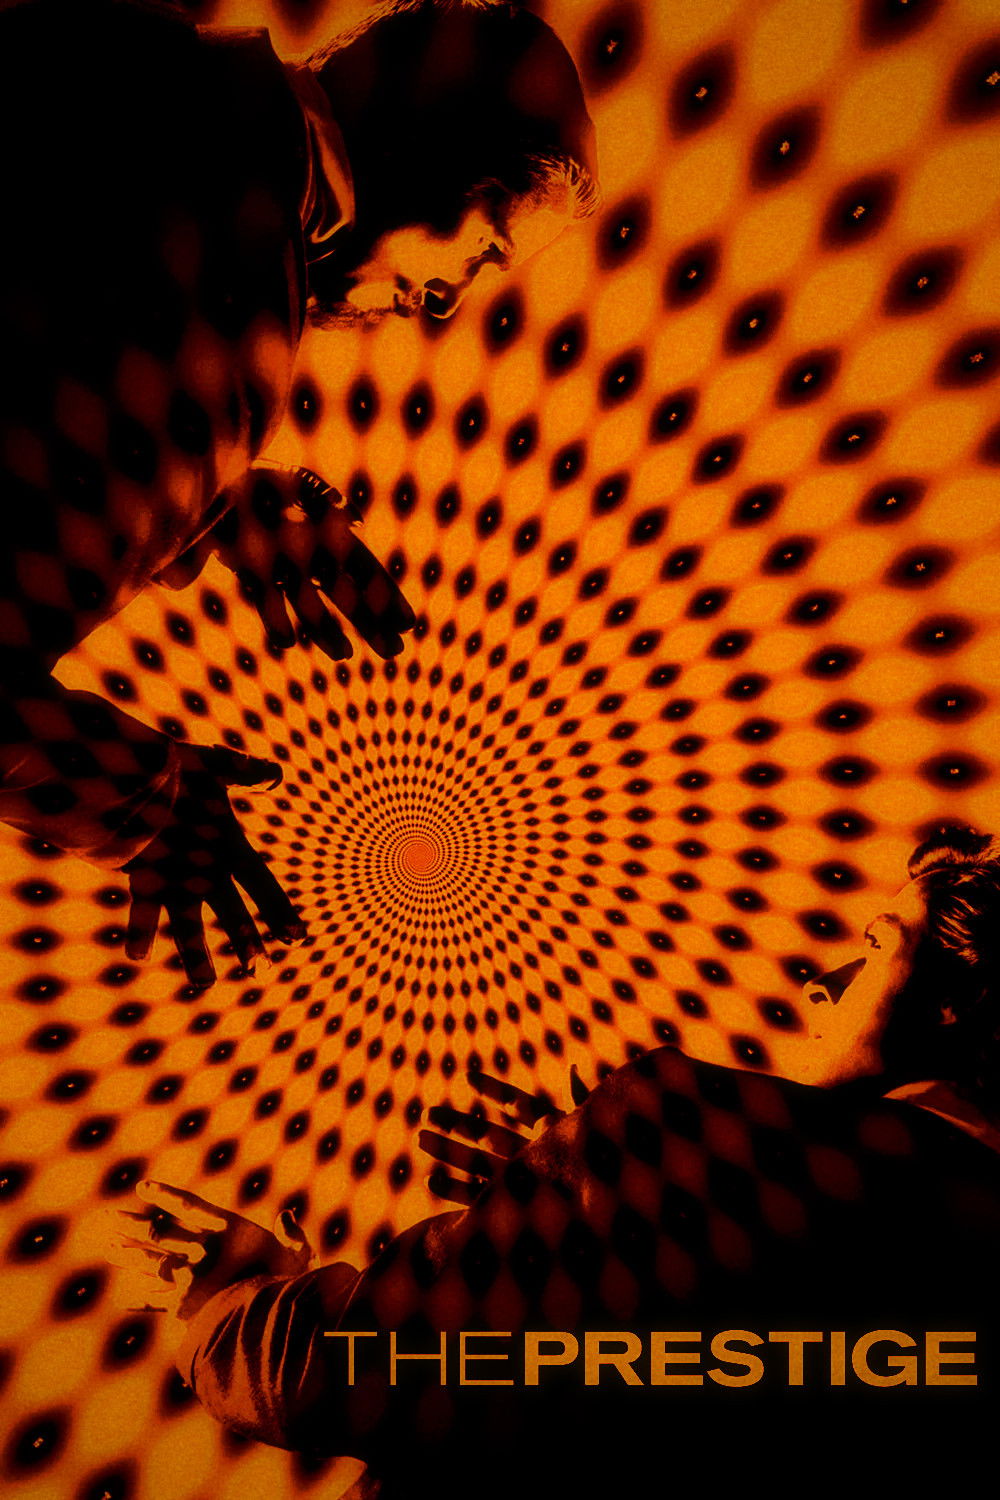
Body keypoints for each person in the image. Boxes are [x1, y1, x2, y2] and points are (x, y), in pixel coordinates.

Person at [107, 827, 1000, 1494]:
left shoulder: (704, 1139)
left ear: (964, 1002)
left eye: (877, 944)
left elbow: (334, 1371)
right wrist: (576, 1205)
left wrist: (233, 1291)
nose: (820, 981)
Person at [0, 0, 598, 987]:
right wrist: (146, 801)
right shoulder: (234, 320)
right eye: (484, 247)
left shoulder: (116, 46)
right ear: (431, 128)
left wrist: (210, 507)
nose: (441, 300)